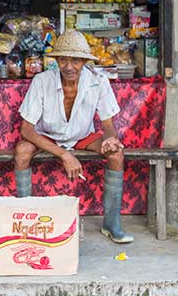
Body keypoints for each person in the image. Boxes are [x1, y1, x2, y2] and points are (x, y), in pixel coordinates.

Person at [14, 29, 133, 244]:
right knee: (22, 150)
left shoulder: (99, 81)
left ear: (85, 61)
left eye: (76, 61)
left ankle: (112, 224)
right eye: (64, 60)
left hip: (81, 136)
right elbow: (27, 130)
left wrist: (110, 138)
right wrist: (64, 155)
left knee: (116, 153)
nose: (69, 67)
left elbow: (108, 124)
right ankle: (26, 219)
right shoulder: (42, 81)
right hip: (47, 136)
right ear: (57, 60)